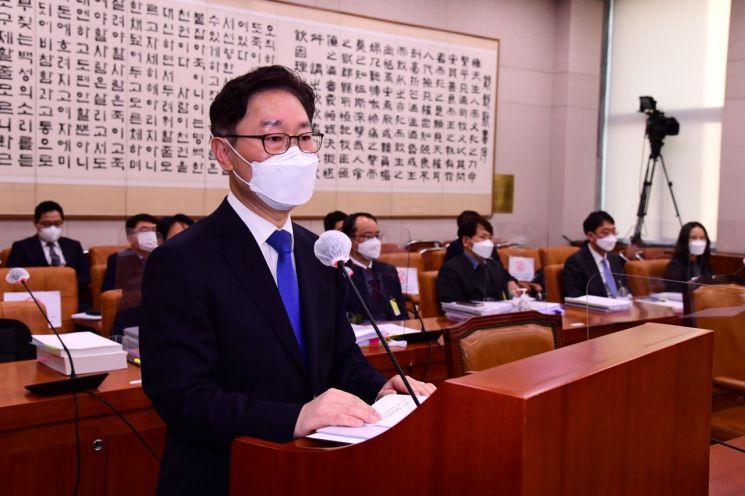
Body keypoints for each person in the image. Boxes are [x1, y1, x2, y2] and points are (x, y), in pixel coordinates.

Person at [139, 65, 434, 494]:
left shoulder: (320, 252)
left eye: (305, 137)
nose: (295, 154)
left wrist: (380, 388)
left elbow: (340, 359)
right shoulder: (182, 261)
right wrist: (294, 418)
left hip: (315, 472)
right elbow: (182, 397)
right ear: (224, 153)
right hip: (227, 476)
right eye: (274, 138)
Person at [7, 200, 90, 294]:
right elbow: (13, 278)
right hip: (36, 296)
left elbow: (85, 275)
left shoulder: (74, 246)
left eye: (57, 223)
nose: (52, 228)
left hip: (70, 295)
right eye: (46, 224)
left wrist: (68, 287)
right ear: (35, 223)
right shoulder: (21, 247)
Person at [341, 212, 407, 322]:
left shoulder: (388, 270)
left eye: (376, 236)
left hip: (392, 332)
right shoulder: (341, 272)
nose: (375, 241)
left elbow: (400, 310)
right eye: (367, 236)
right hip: (359, 334)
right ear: (351, 241)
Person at [437, 215, 519, 302]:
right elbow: (450, 305)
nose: (488, 242)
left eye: (490, 238)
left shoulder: (494, 266)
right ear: (466, 241)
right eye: (483, 237)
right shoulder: (451, 270)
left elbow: (504, 298)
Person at [563, 210, 626, 298]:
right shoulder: (575, 262)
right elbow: (575, 298)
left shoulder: (616, 259)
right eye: (606, 232)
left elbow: (624, 290)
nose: (611, 237)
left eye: (613, 232)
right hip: (595, 310)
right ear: (591, 236)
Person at [101, 213, 160, 293]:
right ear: (130, 237)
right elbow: (109, 292)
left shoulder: (164, 258)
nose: (151, 235)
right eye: (144, 230)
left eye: (154, 230)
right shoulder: (118, 259)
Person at [664, 221, 714, 292]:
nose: (699, 242)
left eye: (702, 238)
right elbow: (675, 292)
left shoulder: (704, 263)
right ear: (684, 241)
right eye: (694, 238)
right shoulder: (675, 266)